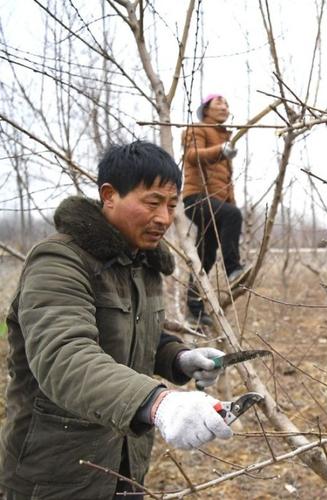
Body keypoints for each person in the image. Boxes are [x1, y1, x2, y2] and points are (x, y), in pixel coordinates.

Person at [0, 141, 234, 499]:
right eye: (152, 202)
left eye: (172, 205)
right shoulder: (59, 262)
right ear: (109, 195)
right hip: (55, 474)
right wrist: (158, 403)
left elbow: (133, 334)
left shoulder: (142, 263)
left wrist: (178, 358)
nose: (164, 218)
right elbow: (65, 357)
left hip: (125, 463)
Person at [182, 93, 246, 326]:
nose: (224, 106)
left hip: (215, 204)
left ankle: (195, 308)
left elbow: (225, 183)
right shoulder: (197, 129)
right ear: (206, 108)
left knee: (205, 256)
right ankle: (233, 270)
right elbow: (191, 156)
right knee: (232, 215)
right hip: (197, 199)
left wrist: (231, 206)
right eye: (219, 102)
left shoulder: (222, 136)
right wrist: (221, 150)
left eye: (227, 103)